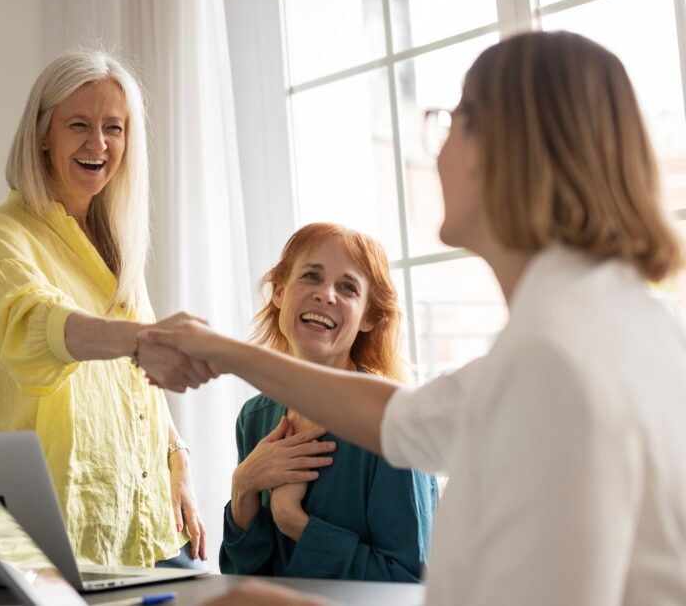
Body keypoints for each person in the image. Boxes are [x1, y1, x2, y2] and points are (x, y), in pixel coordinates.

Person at [139, 30, 686, 605]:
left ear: (504, 151)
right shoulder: (611, 329)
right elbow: (402, 420)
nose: (438, 148)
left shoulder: (553, 360)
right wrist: (221, 351)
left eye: (454, 120)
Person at [0, 48, 210, 570]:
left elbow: (143, 381)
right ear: (41, 134)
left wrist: (178, 457)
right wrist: (142, 338)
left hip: (153, 524)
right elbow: (35, 324)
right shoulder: (1, 233)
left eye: (114, 128)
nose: (98, 144)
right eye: (79, 124)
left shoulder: (118, 246)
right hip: (66, 528)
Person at [221, 223, 435, 581]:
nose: (326, 295)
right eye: (310, 277)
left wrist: (294, 521)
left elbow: (409, 586)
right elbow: (241, 579)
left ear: (369, 317)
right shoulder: (254, 417)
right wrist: (243, 488)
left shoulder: (395, 423)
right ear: (279, 291)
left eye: (347, 287)